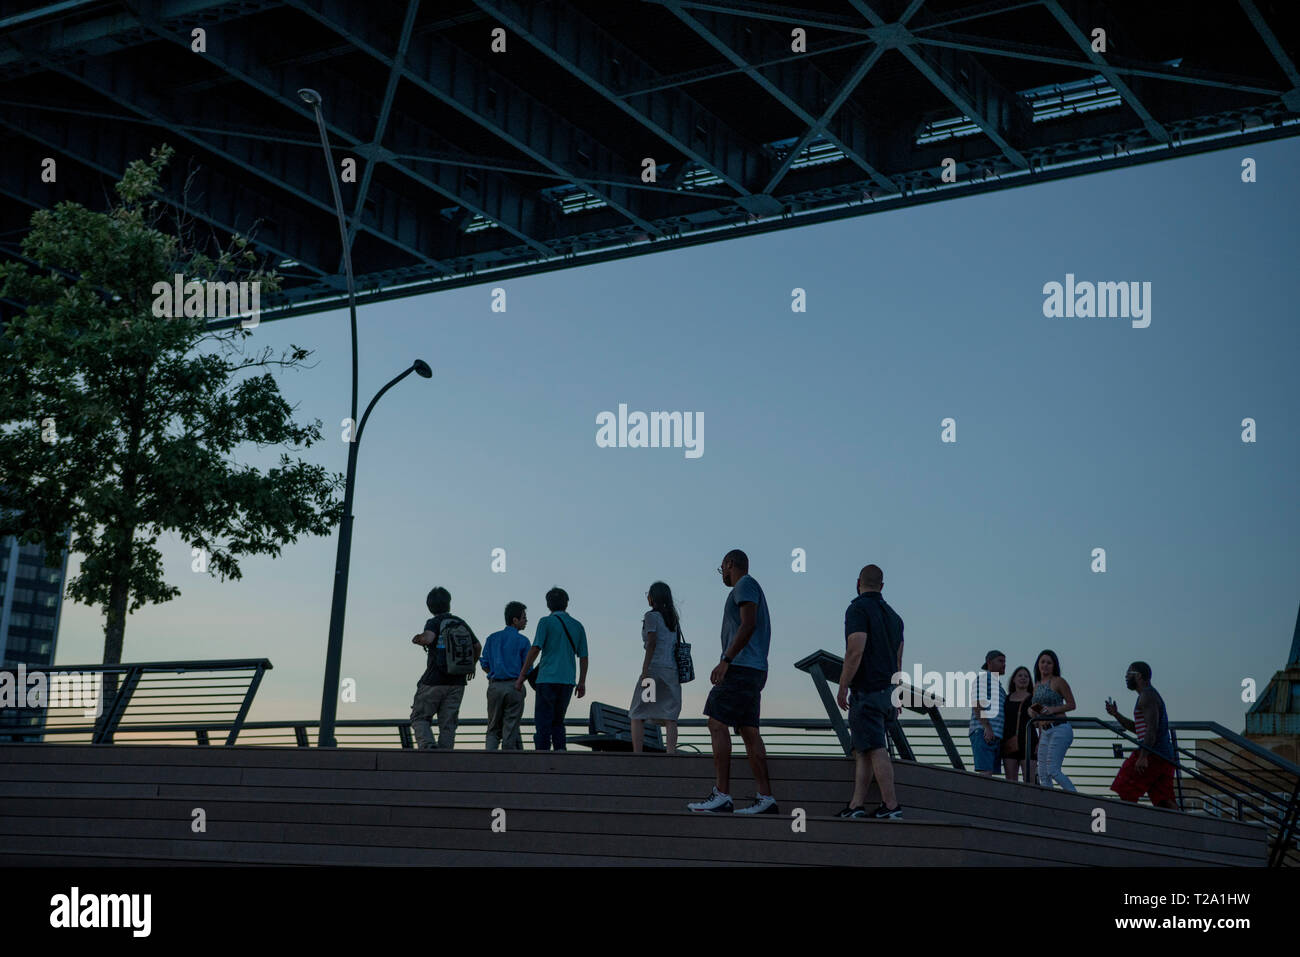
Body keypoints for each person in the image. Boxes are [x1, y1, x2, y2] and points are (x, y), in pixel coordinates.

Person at [687, 549, 778, 815]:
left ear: (729, 564)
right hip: (753, 669)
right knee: (749, 732)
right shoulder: (749, 587)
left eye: (722, 569)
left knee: (716, 722)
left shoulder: (744, 585)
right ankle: (765, 798)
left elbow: (748, 624)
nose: (722, 574)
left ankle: (723, 795)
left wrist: (726, 659)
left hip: (741, 667)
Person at [835, 563, 905, 819]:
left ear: (858, 583)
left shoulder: (857, 609)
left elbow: (856, 649)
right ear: (882, 586)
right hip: (887, 691)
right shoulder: (895, 617)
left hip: (867, 691)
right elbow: (898, 660)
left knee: (875, 747)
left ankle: (891, 805)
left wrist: (843, 685)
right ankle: (856, 805)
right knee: (863, 748)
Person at [515, 587, 588, 751]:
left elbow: (535, 649)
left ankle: (542, 757)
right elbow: (583, 657)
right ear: (567, 603)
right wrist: (581, 682)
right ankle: (560, 755)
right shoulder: (578, 626)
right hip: (568, 680)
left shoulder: (545, 622)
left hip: (546, 679)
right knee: (558, 721)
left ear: (548, 604)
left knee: (543, 722)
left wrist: (522, 677)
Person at [409, 586, 481, 750]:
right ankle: (445, 758)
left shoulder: (434, 622)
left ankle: (428, 747)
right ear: (449, 603)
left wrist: (417, 638)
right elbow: (477, 646)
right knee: (448, 723)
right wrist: (471, 667)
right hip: (457, 682)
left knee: (419, 717)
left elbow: (428, 639)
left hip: (434, 680)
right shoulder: (460, 622)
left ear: (429, 606)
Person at [1106, 661, 1178, 809]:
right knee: (1163, 800)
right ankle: (1183, 829)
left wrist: (1143, 756)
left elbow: (1152, 730)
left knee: (1124, 786)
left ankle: (1129, 824)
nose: (1126, 677)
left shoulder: (1147, 696)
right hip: (1164, 755)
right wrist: (1116, 714)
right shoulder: (1147, 695)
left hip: (1153, 753)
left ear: (1138, 676)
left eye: (1128, 673)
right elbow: (1139, 729)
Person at [629, 581, 682, 754]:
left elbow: (651, 642)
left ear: (653, 597)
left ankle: (638, 754)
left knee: (639, 712)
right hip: (671, 672)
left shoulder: (651, 616)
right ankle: (671, 754)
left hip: (653, 671)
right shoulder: (673, 620)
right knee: (670, 715)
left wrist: (645, 671)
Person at [480, 601, 531, 750]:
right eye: (523, 618)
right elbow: (527, 668)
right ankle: (507, 765)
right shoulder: (523, 641)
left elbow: (484, 664)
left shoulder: (492, 638)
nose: (526, 621)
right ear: (515, 620)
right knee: (510, 729)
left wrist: (494, 675)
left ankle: (489, 763)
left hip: (495, 686)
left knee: (493, 728)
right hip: (515, 685)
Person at [1029, 649, 1077, 791]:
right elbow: (1038, 710)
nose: (1045, 665)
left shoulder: (1059, 681)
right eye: (1042, 662)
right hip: (1044, 732)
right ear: (1038, 664)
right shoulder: (1036, 685)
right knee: (1043, 774)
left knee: (1053, 770)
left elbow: (1072, 704)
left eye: (1049, 663)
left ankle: (1077, 800)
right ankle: (1048, 806)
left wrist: (1053, 710)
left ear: (1054, 665)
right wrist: (1032, 711)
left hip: (1060, 728)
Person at [969, 650, 1007, 777]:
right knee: (985, 773)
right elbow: (977, 703)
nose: (1004, 664)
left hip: (995, 735)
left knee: (989, 775)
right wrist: (987, 727)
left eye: (1004, 661)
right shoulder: (984, 679)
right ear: (989, 662)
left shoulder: (999, 686)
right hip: (985, 733)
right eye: (1000, 661)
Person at [1001, 666, 1035, 783]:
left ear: (1030, 681)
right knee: (1010, 781)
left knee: (1029, 780)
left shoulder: (1034, 698)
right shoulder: (1006, 698)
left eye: (1026, 676)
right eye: (1020, 675)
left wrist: (1041, 740)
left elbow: (1042, 718)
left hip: (1029, 742)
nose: (1023, 678)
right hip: (1009, 742)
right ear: (1013, 679)